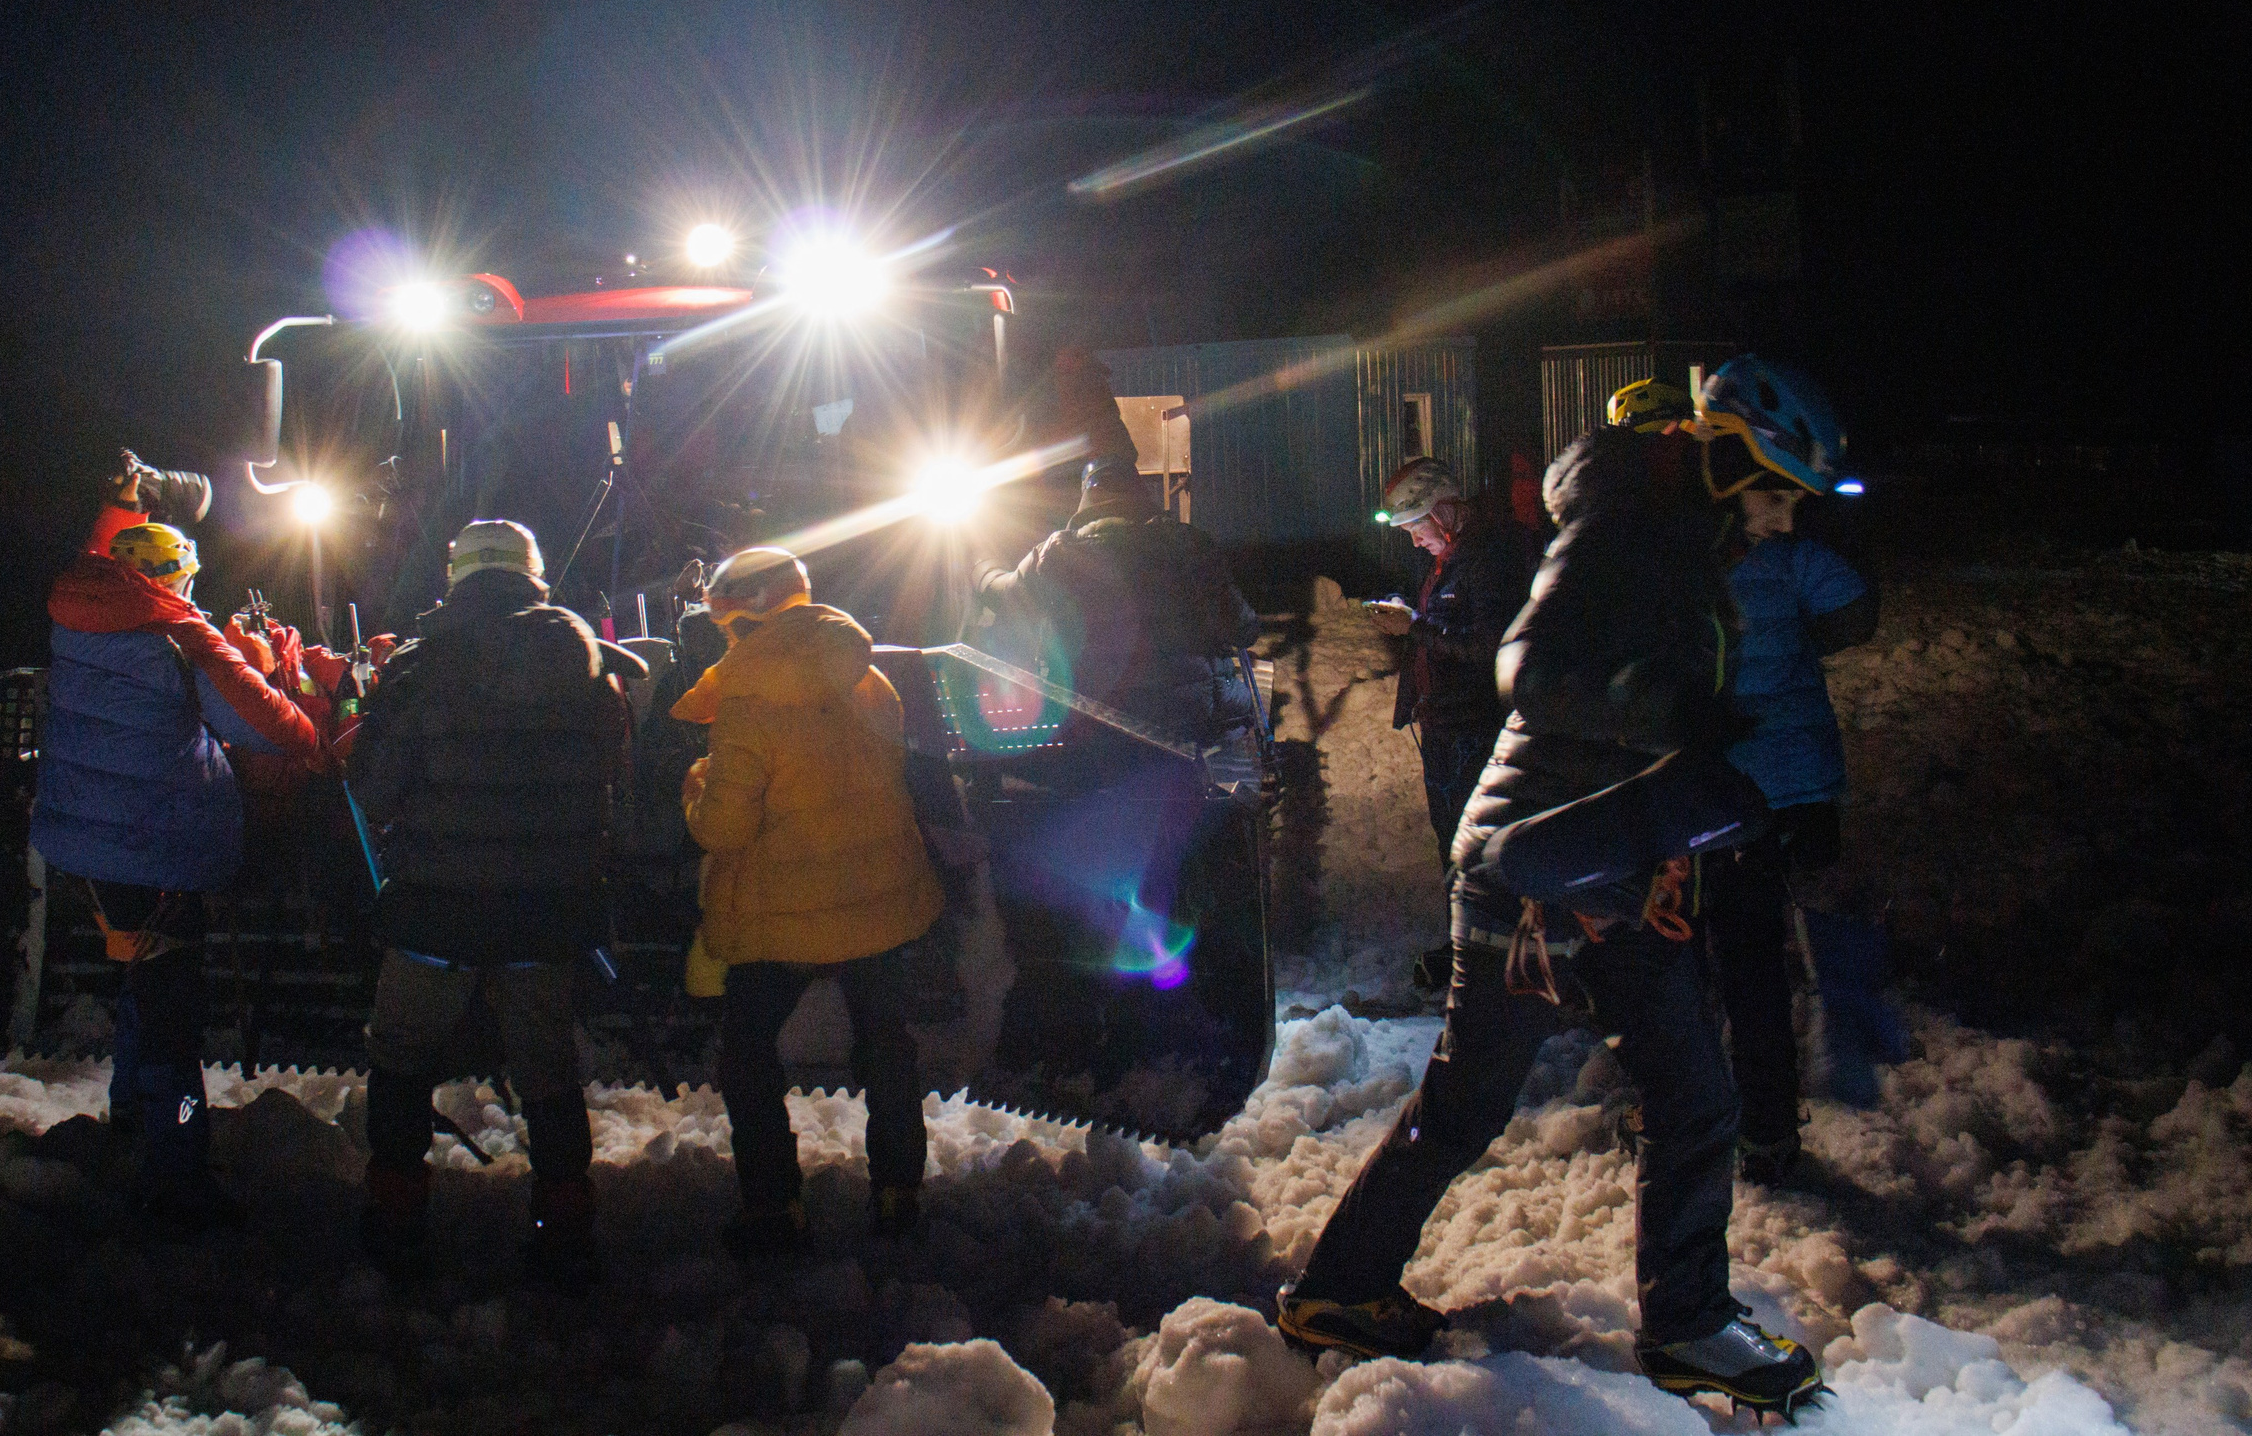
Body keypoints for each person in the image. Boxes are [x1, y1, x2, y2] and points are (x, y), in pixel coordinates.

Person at [1277, 414, 1824, 1420]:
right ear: (1734, 471)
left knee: (1685, 1097)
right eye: (1776, 497)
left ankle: (1678, 1320)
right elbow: (1528, 668)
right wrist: (1667, 711)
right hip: (1538, 874)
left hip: (1599, 866)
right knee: (1518, 1101)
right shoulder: (1622, 536)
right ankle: (1343, 1288)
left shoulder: (1669, 539)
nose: (1781, 523)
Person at [30, 456, 323, 1229]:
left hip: (88, 844)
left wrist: (123, 501)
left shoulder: (79, 613)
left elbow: (103, 558)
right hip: (156, 845)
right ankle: (179, 1164)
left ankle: (133, 1111)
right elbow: (273, 726)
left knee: (141, 975)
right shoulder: (180, 635)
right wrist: (305, 714)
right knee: (173, 1012)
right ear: (180, 582)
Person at [347, 520, 635, 1288]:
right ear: (531, 573)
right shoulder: (588, 664)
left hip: (435, 913)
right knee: (547, 1072)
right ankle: (564, 1228)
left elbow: (372, 786)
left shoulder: (418, 665)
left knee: (401, 1061)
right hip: (545, 912)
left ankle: (398, 1217)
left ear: (457, 575)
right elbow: (616, 775)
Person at [674, 546, 946, 1256]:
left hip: (787, 913)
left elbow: (726, 826)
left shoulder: (748, 698)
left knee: (746, 1049)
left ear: (738, 616)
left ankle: (772, 1206)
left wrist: (695, 790)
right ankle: (897, 1195)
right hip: (881, 902)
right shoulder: (868, 676)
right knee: (886, 1044)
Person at [1697, 359, 1889, 1182]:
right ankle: (1786, 1108)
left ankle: (1755, 1122)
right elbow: (1855, 611)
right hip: (1803, 783)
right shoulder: (1793, 559)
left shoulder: (1707, 562)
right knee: (1776, 943)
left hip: (1734, 790)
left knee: (1736, 957)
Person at [970, 460, 1262, 751]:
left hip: (1094, 725)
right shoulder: (1190, 545)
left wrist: (981, 562)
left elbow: (1001, 592)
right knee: (1236, 696)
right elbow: (1242, 630)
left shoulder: (1052, 555)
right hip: (1190, 721)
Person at [1370, 458, 1536, 873]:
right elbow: (1444, 617)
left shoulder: (1490, 557)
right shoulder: (1453, 555)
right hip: (1444, 727)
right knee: (1450, 842)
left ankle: (1478, 932)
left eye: (1415, 528)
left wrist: (1414, 627)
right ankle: (1459, 930)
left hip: (1473, 731)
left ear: (1441, 511)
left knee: (1475, 845)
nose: (1413, 543)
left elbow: (1489, 644)